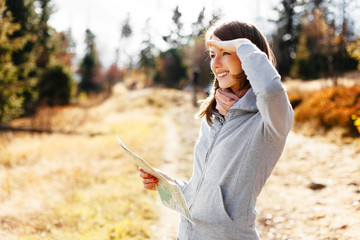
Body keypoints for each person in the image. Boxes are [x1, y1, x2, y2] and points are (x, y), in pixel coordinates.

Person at [139, 20, 294, 240]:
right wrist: (170, 185)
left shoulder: (269, 121)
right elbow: (208, 192)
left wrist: (242, 45)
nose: (216, 63)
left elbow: (270, 89)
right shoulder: (214, 117)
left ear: (248, 54)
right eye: (212, 54)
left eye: (226, 52)